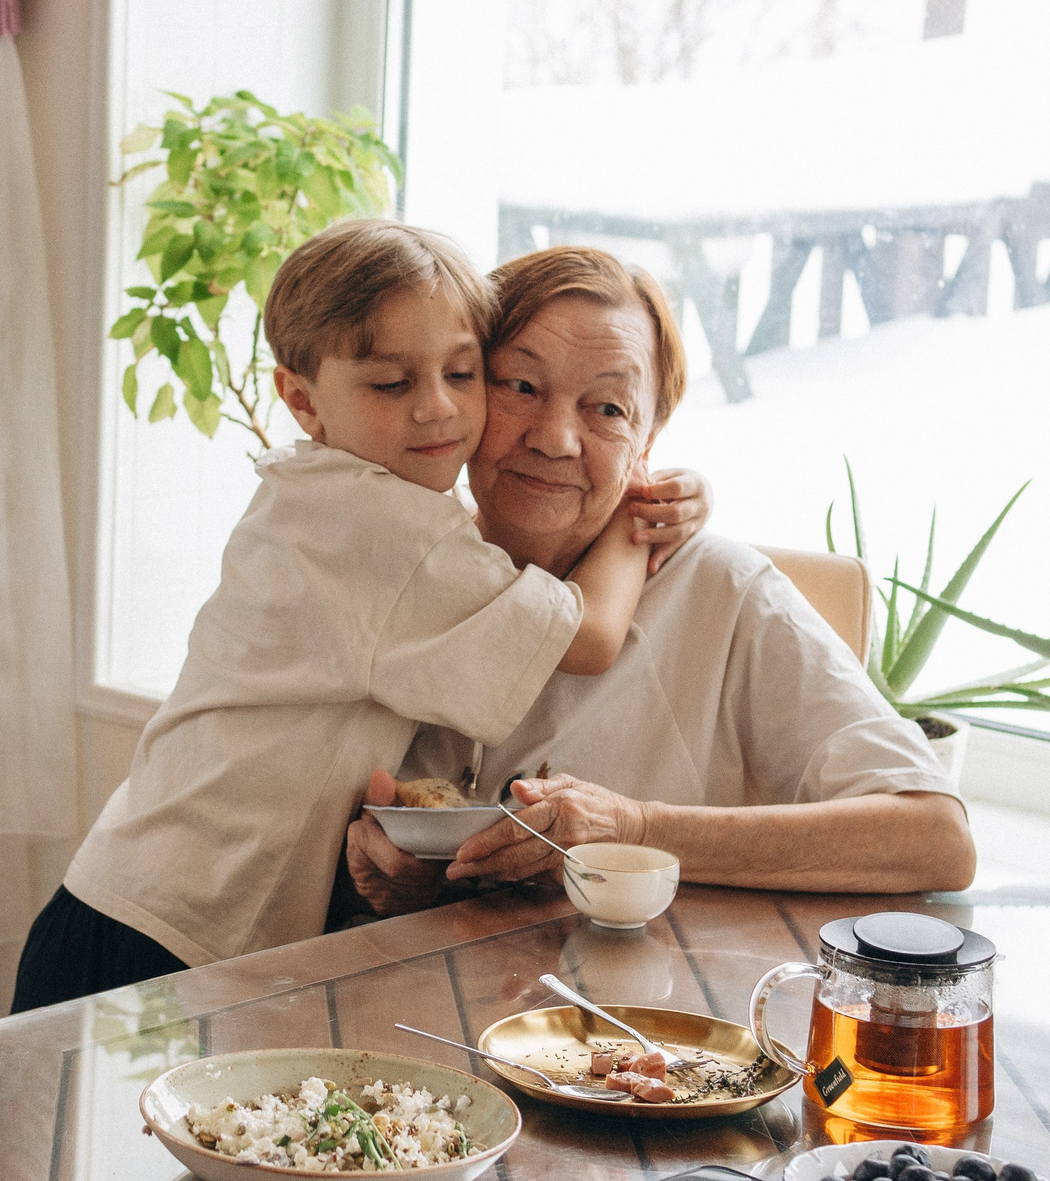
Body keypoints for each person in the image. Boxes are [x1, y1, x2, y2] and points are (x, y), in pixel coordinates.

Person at [11, 221, 706, 1013]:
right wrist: (633, 521)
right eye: (390, 384)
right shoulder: (379, 526)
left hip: (156, 911)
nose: (437, 409)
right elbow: (588, 638)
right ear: (302, 400)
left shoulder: (333, 497)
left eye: (463, 372)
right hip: (152, 938)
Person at [342, 245, 975, 919]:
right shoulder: (402, 583)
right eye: (520, 387)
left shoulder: (721, 592)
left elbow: (935, 837)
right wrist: (395, 883)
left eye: (608, 408)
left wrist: (635, 828)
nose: (556, 438)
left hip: (662, 1006)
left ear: (649, 437)